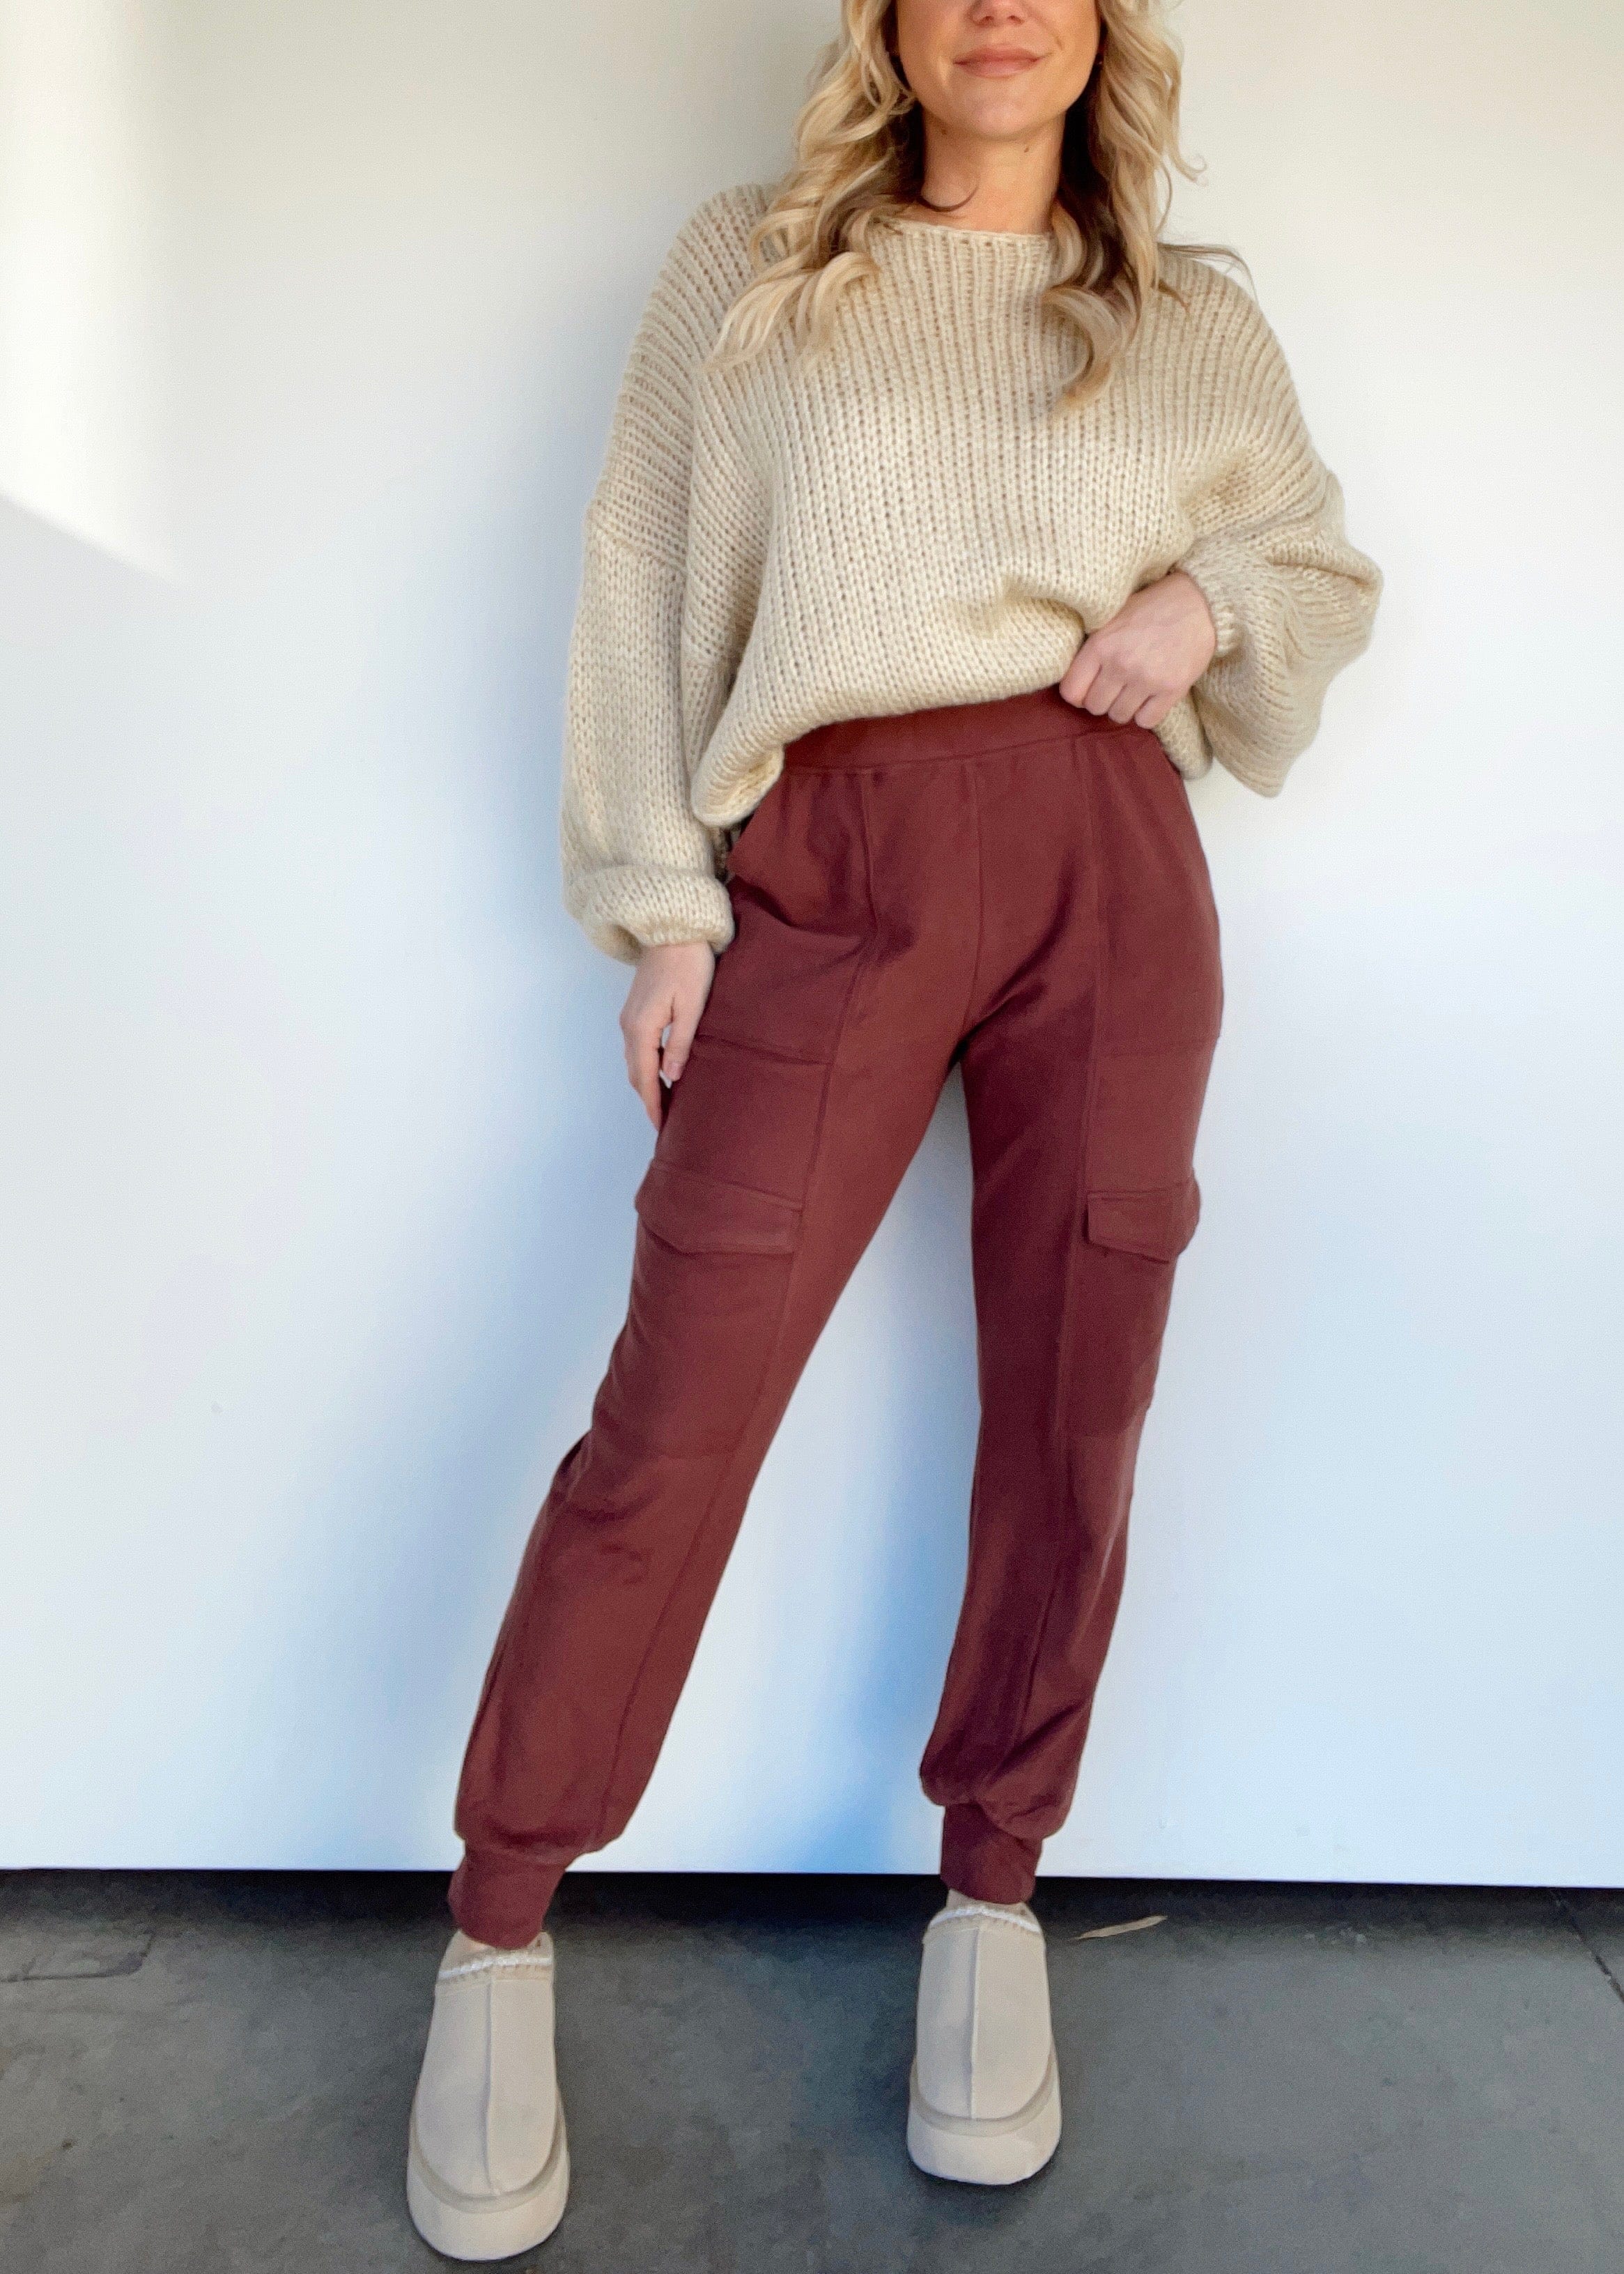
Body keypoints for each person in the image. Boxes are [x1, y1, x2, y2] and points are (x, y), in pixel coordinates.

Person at [404, 0, 1382, 2253]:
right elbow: (639, 573)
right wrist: (660, 905)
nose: (996, 7)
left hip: (1105, 871)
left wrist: (1202, 599)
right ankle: (498, 1925)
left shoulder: (1185, 316)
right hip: (825, 866)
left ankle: (991, 1899)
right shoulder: (754, 266)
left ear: (1103, 28)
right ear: (889, 23)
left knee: (1075, 1406)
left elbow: (1317, 568)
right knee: (674, 1417)